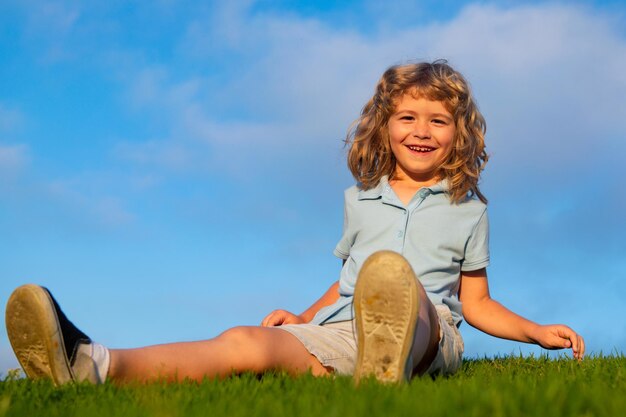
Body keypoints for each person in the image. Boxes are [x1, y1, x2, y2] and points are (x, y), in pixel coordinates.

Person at [5, 60, 585, 386]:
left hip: (431, 337)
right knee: (244, 342)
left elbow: (476, 302)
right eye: (407, 116)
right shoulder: (361, 202)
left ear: (460, 134)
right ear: (383, 128)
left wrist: (536, 331)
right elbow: (351, 280)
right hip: (342, 328)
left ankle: (391, 364)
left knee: (411, 299)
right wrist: (304, 318)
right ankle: (95, 365)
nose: (422, 130)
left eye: (438, 120)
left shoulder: (469, 208)